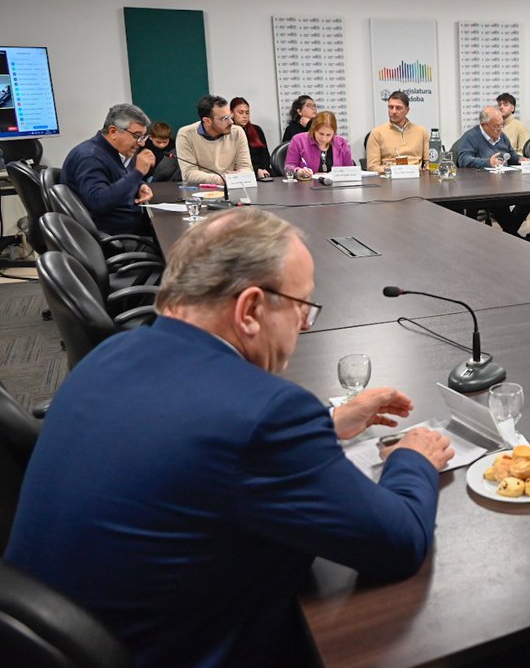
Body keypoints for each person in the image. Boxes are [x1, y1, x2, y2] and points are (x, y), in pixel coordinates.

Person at [5, 208, 454, 668]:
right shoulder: (265, 416)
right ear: (251, 310)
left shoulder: (112, 352)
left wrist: (331, 421)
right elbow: (397, 544)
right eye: (301, 306)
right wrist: (413, 458)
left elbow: (196, 441)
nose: (304, 324)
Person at [59, 102, 156, 236]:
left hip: (129, 229)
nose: (142, 143)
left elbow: (118, 179)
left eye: (143, 136)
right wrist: (138, 173)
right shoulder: (90, 157)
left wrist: (139, 185)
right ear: (113, 131)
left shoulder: (112, 152)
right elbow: (98, 201)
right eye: (136, 136)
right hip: (116, 237)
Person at [455, 106, 530, 235]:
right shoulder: (471, 137)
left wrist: (520, 159)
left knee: (529, 198)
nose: (500, 129)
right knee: (498, 202)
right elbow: (463, 159)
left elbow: (510, 154)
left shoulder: (502, 136)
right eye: (496, 126)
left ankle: (511, 233)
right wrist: (487, 162)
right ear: (484, 125)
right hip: (480, 186)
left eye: (502, 125)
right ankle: (512, 234)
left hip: (504, 182)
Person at [176, 94, 253, 185]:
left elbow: (246, 167)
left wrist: (237, 176)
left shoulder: (237, 132)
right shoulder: (186, 135)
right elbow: (189, 174)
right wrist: (220, 179)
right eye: (225, 118)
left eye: (230, 116)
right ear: (207, 121)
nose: (231, 122)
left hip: (230, 187)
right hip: (200, 189)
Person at [366, 91, 430, 172]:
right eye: (391, 107)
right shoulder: (377, 133)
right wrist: (395, 171)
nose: (394, 111)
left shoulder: (421, 132)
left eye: (398, 108)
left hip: (417, 175)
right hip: (388, 176)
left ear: (407, 110)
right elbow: (372, 167)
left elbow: (429, 162)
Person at [285, 110, 354, 179]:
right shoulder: (298, 140)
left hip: (335, 184)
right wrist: (298, 171)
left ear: (334, 133)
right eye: (321, 134)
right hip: (307, 184)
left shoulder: (341, 143)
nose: (324, 139)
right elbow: (288, 167)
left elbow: (350, 170)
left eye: (328, 135)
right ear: (314, 129)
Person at [230, 97, 273, 178]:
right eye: (241, 112)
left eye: (247, 113)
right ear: (232, 113)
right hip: (241, 173)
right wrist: (256, 171)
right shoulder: (228, 132)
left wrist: (264, 170)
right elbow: (233, 161)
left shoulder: (256, 129)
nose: (245, 116)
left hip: (262, 171)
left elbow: (265, 155)